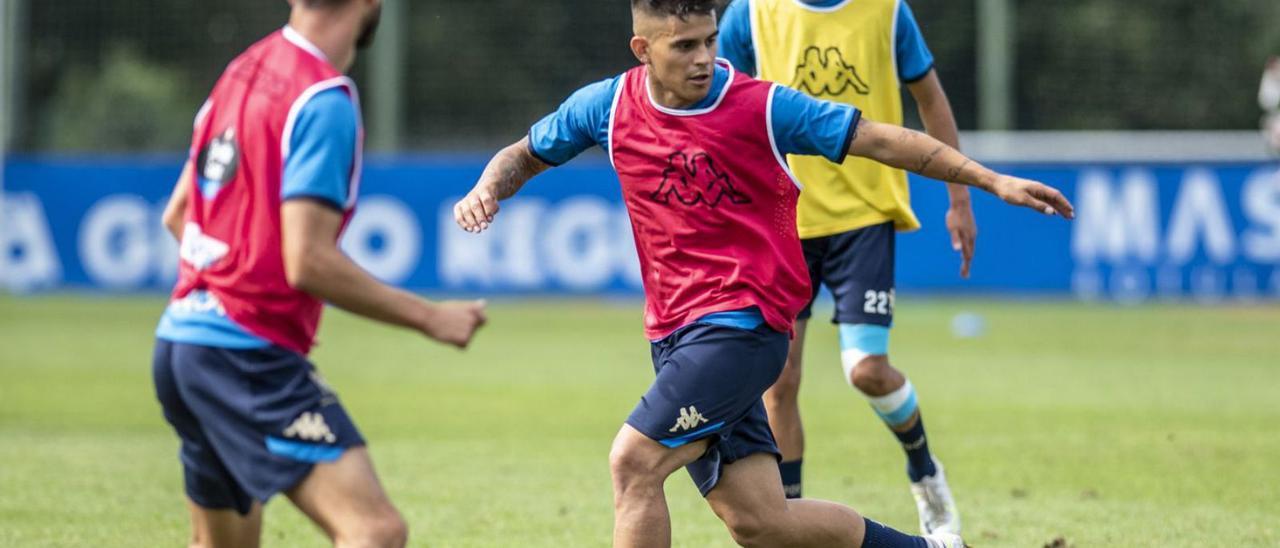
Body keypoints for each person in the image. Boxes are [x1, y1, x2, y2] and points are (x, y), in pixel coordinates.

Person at [453, 2, 1071, 546]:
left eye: (710, 40)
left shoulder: (762, 106)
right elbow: (526, 153)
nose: (704, 58)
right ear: (643, 50)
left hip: (742, 327)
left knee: (633, 463)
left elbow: (881, 139)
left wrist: (989, 181)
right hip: (673, 334)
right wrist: (488, 186)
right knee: (761, 522)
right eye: (684, 45)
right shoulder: (607, 107)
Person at [153, 1, 487, 546]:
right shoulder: (322, 99)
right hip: (242, 354)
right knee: (374, 531)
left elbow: (178, 215)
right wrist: (432, 318)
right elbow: (306, 261)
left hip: (180, 344)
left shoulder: (240, 72)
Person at [718, 0, 970, 534]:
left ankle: (924, 471)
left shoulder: (887, 11)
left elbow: (930, 99)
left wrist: (960, 200)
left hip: (863, 217)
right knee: (779, 382)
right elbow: (720, 113)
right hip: (783, 222)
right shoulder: (751, 14)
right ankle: (790, 522)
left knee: (867, 371)